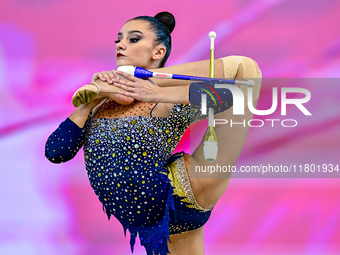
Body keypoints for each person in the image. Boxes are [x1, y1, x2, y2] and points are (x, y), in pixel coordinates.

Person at [45, 11, 262, 255]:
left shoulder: (171, 100)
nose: (121, 44)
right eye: (119, 39)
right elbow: (56, 152)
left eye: (133, 39)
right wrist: (91, 101)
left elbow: (240, 88)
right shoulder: (102, 99)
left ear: (157, 52)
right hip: (146, 216)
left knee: (246, 70)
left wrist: (155, 88)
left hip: (181, 192)